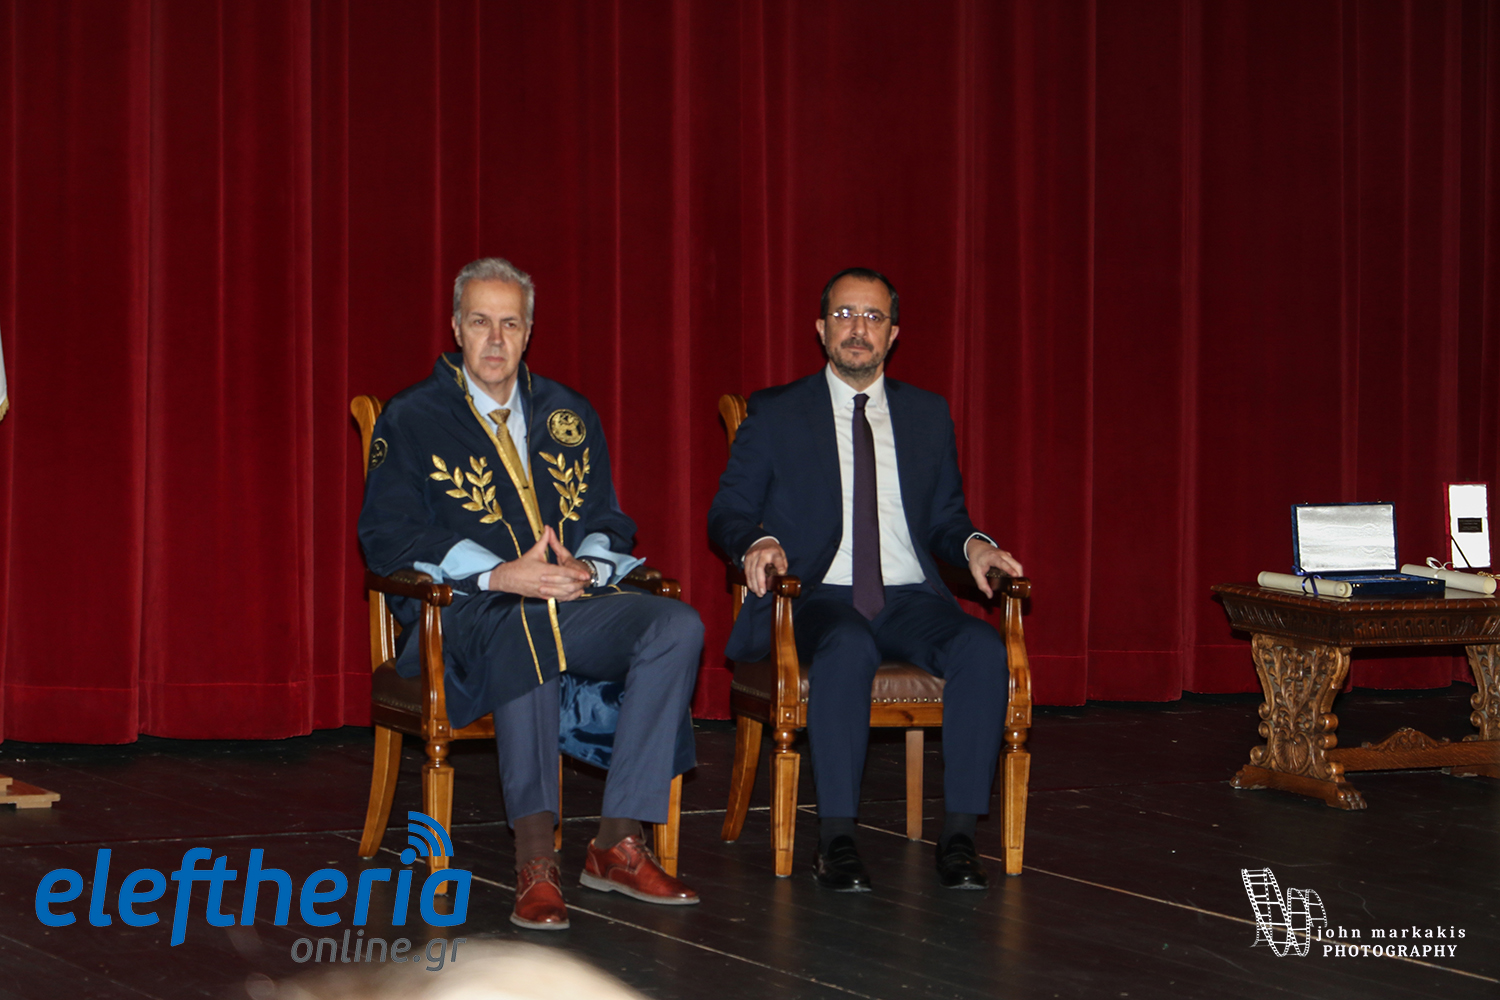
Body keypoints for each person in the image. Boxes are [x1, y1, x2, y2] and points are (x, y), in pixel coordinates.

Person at [359, 258, 702, 930]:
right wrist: (500, 574)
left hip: (570, 602)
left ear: (529, 332)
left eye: (509, 324)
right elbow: (388, 536)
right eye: (480, 322)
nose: (495, 339)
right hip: (463, 613)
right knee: (524, 624)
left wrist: (590, 568)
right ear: (455, 327)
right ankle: (536, 859)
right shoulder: (412, 417)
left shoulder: (568, 412)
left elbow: (608, 519)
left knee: (676, 625)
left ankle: (616, 843)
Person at [708, 267, 1023, 892]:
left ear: (893, 333)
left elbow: (947, 520)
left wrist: (976, 547)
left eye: (873, 317)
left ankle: (960, 838)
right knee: (847, 644)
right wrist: (758, 541)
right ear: (821, 328)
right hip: (816, 595)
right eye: (845, 315)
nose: (859, 329)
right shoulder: (776, 412)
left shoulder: (927, 414)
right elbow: (728, 514)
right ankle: (837, 841)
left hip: (907, 596)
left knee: (981, 647)